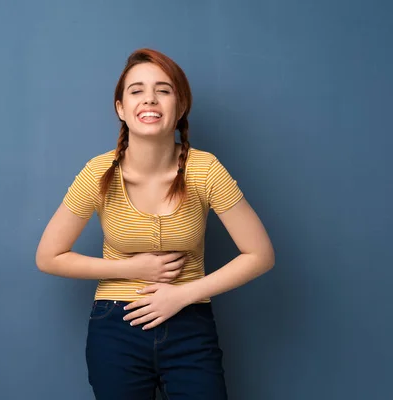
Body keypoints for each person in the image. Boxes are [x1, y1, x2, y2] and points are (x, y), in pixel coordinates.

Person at [35, 48, 275, 400]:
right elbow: (49, 256)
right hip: (116, 328)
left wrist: (182, 295)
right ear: (120, 108)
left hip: (190, 324)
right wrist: (131, 267)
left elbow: (260, 254)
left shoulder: (205, 169)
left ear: (180, 107)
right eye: (137, 90)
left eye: (164, 90)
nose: (150, 99)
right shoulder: (98, 172)